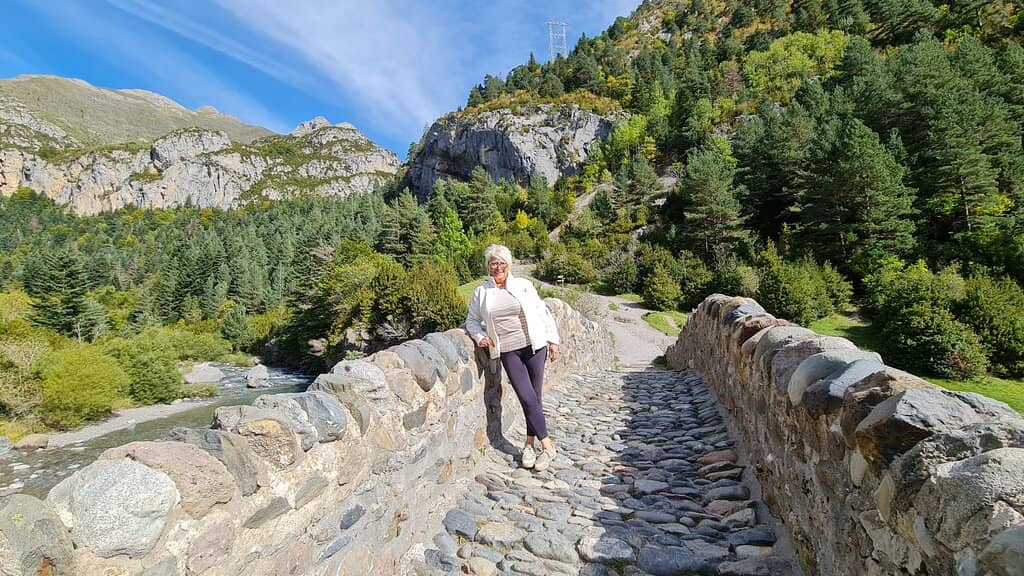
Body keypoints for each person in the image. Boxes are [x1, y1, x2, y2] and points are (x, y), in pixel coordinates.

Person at [466, 244, 561, 471]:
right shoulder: (481, 292)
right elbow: (471, 321)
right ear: (488, 266)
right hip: (508, 350)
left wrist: (553, 339)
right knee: (526, 397)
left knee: (534, 397)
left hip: (535, 346)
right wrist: (480, 337)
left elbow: (542, 312)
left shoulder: (523, 285)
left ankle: (529, 445)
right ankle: (548, 447)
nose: (497, 267)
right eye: (493, 263)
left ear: (508, 265)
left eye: (501, 263)